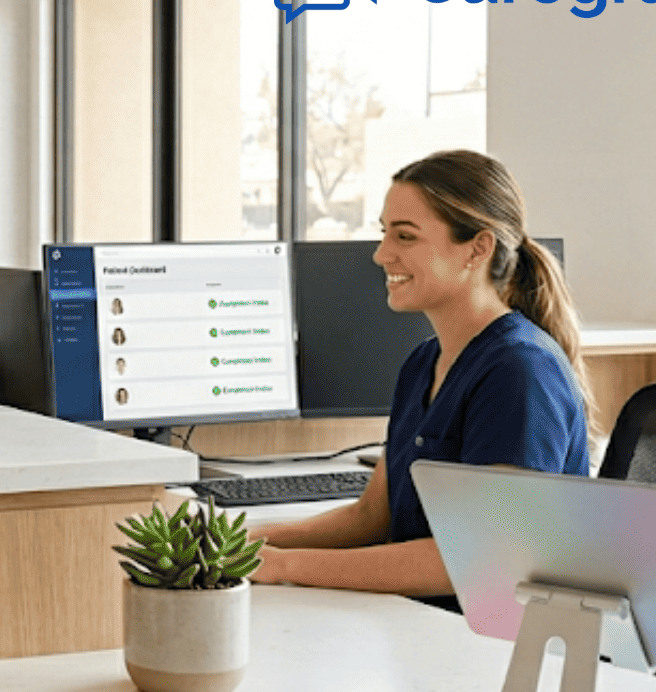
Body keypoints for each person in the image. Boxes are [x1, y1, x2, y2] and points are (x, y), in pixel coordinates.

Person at [250, 149, 590, 605]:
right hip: (423, 625)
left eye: (405, 237)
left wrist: (282, 566)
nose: (380, 254)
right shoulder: (423, 362)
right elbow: (372, 516)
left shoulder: (520, 372)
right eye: (384, 234)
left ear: (477, 248)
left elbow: (484, 561)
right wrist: (251, 540)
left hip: (494, 652)